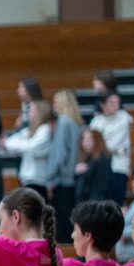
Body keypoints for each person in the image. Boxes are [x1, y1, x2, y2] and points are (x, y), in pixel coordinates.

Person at [45, 90, 84, 242]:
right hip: (73, 177)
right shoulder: (76, 123)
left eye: (56, 102)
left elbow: (60, 152)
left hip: (62, 179)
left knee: (61, 223)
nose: (54, 106)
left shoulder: (63, 121)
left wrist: (50, 175)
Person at [0, 100, 52, 201]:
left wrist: (9, 144)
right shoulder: (29, 130)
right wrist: (8, 143)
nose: (28, 112)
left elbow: (32, 146)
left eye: (32, 110)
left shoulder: (44, 130)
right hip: (27, 180)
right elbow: (13, 140)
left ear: (39, 112)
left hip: (39, 180)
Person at [89, 92, 134, 205]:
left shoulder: (123, 118)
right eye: (112, 103)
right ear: (102, 105)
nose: (116, 106)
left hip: (118, 166)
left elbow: (112, 145)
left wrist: (102, 143)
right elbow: (92, 143)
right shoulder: (97, 121)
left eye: (117, 103)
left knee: (116, 203)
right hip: (100, 166)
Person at [75, 128, 113, 207]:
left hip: (94, 206)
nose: (85, 143)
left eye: (89, 139)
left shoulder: (101, 160)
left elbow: (99, 188)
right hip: (85, 204)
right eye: (83, 139)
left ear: (97, 141)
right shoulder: (88, 159)